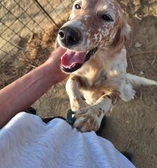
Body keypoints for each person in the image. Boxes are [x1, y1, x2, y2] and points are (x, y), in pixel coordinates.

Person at [0, 47, 135, 168]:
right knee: (105, 156)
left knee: (72, 127)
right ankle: (106, 155)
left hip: (35, 133)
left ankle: (95, 141)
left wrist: (50, 72)